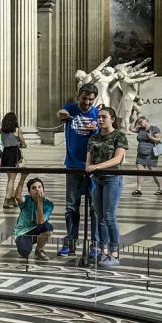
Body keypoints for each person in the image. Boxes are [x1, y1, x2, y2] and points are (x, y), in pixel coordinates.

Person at [56, 83, 100, 257]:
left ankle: (95, 244)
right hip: (73, 166)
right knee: (71, 207)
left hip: (94, 168)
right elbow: (60, 113)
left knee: (95, 208)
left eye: (91, 99)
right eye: (84, 98)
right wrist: (63, 114)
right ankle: (71, 243)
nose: (87, 103)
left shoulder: (97, 114)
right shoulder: (71, 109)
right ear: (78, 96)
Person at [85, 106, 127, 266]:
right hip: (97, 179)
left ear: (113, 119)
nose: (100, 120)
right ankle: (104, 251)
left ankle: (114, 252)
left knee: (109, 216)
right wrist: (89, 167)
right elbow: (88, 158)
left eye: (104, 117)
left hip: (112, 178)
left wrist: (97, 166)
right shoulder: (94, 137)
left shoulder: (119, 135)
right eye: (99, 117)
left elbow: (117, 159)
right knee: (99, 217)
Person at [13, 177, 54, 262]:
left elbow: (40, 222)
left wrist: (40, 202)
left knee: (48, 227)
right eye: (33, 188)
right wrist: (22, 178)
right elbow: (17, 196)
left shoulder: (49, 204)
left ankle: (38, 250)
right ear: (29, 192)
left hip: (37, 229)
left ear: (43, 189)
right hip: (23, 232)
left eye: (39, 187)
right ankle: (24, 243)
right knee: (24, 252)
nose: (37, 190)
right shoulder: (27, 199)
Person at [0, 112, 27, 210]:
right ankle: (7, 199)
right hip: (14, 153)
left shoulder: (2, 130)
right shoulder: (18, 130)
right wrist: (20, 144)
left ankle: (11, 199)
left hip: (6, 153)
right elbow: (23, 144)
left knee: (10, 178)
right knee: (12, 179)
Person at [131, 116, 162, 196]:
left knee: (153, 172)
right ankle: (138, 189)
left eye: (141, 121)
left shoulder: (154, 128)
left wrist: (150, 137)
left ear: (146, 120)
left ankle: (161, 187)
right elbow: (131, 129)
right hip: (140, 154)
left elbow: (159, 139)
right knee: (139, 172)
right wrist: (135, 119)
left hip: (151, 154)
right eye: (139, 122)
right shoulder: (140, 129)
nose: (140, 124)